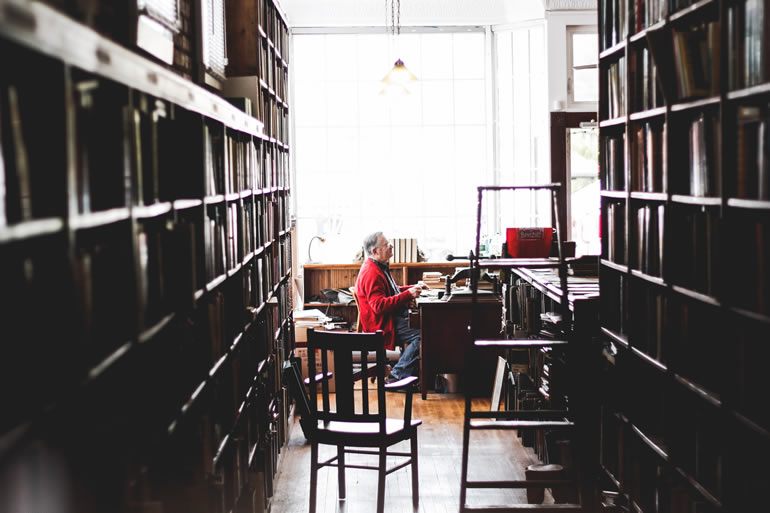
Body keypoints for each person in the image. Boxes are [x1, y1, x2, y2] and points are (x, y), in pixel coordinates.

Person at [355, 231, 426, 383]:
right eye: (386, 244)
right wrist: (409, 294)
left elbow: (392, 291)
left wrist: (413, 288)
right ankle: (397, 376)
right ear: (375, 251)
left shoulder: (378, 266)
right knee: (425, 335)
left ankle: (415, 372)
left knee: (426, 325)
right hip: (382, 324)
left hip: (390, 318)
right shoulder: (372, 273)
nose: (391, 246)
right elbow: (379, 306)